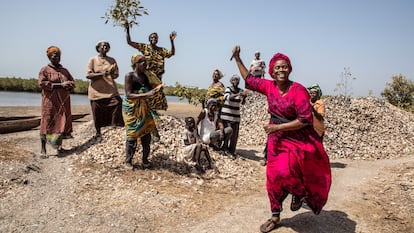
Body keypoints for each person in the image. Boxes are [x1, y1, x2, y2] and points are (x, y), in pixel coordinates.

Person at [231, 45, 331, 233]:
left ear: (289, 68)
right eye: (277, 67)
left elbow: (305, 119)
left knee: (290, 171)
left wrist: (277, 127)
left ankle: (299, 193)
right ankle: (275, 215)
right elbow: (249, 79)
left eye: (284, 66)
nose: (281, 70)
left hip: (297, 138)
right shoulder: (269, 86)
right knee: (273, 176)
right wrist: (237, 58)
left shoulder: (298, 90)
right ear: (271, 71)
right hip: (276, 140)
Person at [122, 54, 162, 169]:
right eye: (141, 61)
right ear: (135, 63)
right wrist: (146, 94)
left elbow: (150, 90)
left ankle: (145, 160)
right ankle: (128, 161)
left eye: (145, 61)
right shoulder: (129, 76)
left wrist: (156, 89)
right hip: (131, 109)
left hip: (144, 108)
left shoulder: (145, 76)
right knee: (132, 134)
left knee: (146, 134)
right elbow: (129, 94)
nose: (144, 63)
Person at [38, 46, 75, 158]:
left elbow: (72, 81)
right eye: (53, 56)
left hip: (63, 102)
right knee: (47, 121)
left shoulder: (64, 70)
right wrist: (60, 85)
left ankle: (59, 147)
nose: (56, 58)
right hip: (50, 102)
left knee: (61, 122)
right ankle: (43, 149)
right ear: (49, 57)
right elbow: (43, 83)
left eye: (58, 56)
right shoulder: (44, 70)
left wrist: (70, 85)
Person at [86, 41, 124, 138]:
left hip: (110, 90)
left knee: (117, 102)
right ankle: (98, 132)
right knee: (96, 110)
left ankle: (115, 126)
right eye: (102, 46)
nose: (104, 48)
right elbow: (89, 75)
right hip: (96, 91)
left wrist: (111, 73)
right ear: (98, 48)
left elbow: (116, 75)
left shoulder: (112, 60)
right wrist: (103, 74)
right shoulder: (93, 60)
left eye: (106, 46)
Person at [220, 74, 247, 158]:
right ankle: (225, 149)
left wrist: (244, 97)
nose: (236, 81)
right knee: (228, 133)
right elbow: (228, 98)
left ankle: (232, 150)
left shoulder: (240, 90)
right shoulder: (228, 89)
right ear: (231, 81)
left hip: (235, 116)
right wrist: (238, 94)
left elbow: (242, 103)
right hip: (227, 116)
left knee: (235, 135)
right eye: (234, 79)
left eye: (237, 80)